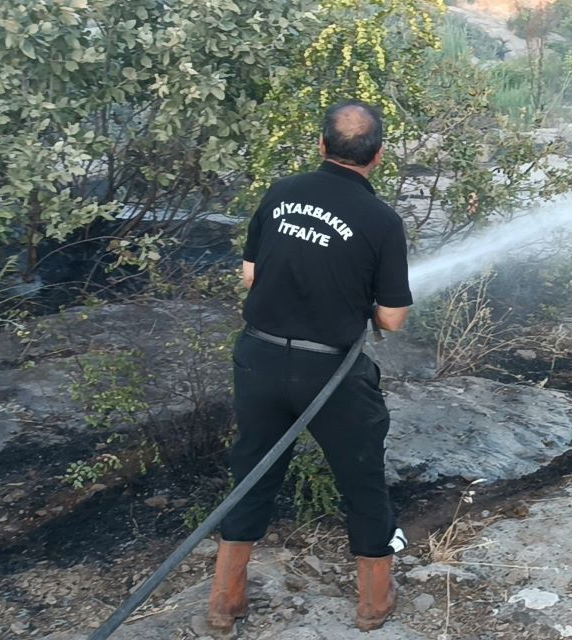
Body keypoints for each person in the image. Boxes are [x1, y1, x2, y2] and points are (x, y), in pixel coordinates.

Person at [207, 100, 413, 633]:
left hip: (259, 358)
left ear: (321, 146)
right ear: (379, 156)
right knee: (362, 480)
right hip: (332, 376)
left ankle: (225, 603)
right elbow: (391, 320)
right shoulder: (382, 221)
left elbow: (251, 274)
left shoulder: (281, 193)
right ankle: (373, 603)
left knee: (251, 473)